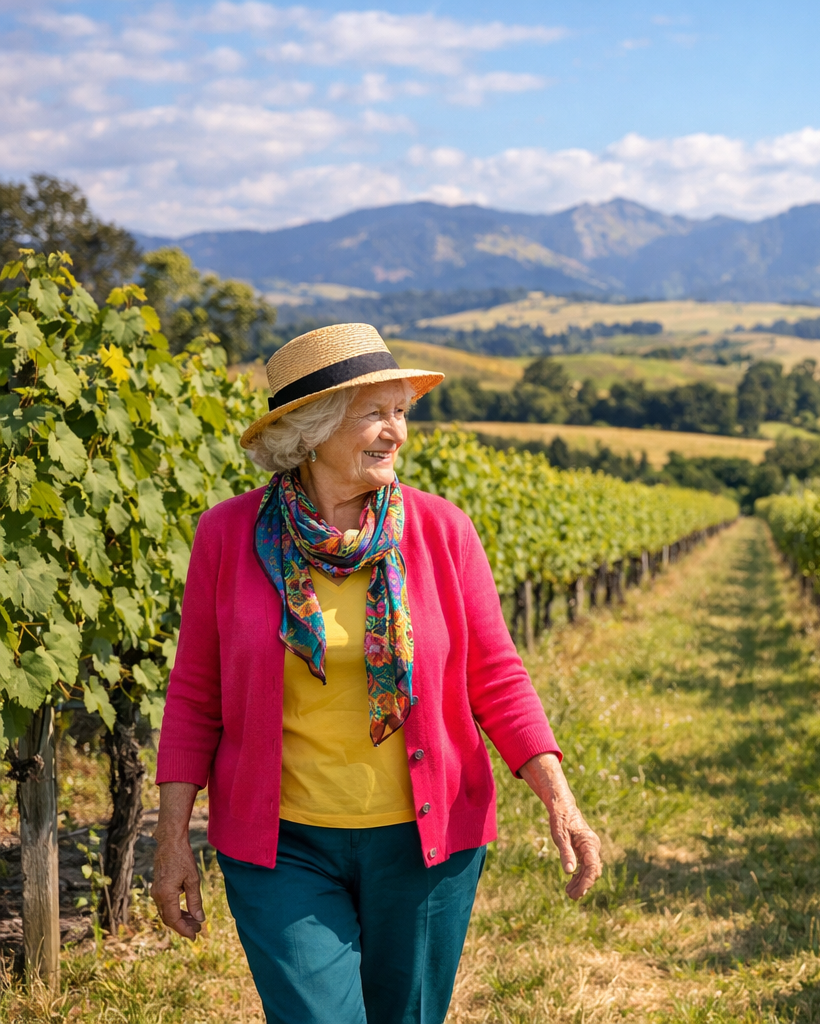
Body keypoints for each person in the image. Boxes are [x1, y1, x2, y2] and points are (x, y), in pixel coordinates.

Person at [150, 323, 602, 1024]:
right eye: (375, 413)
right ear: (313, 429)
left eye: (401, 413)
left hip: (425, 847)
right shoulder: (227, 535)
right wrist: (171, 837)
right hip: (281, 848)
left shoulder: (443, 531)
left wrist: (560, 801)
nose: (396, 432)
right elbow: (193, 698)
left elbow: (498, 677)